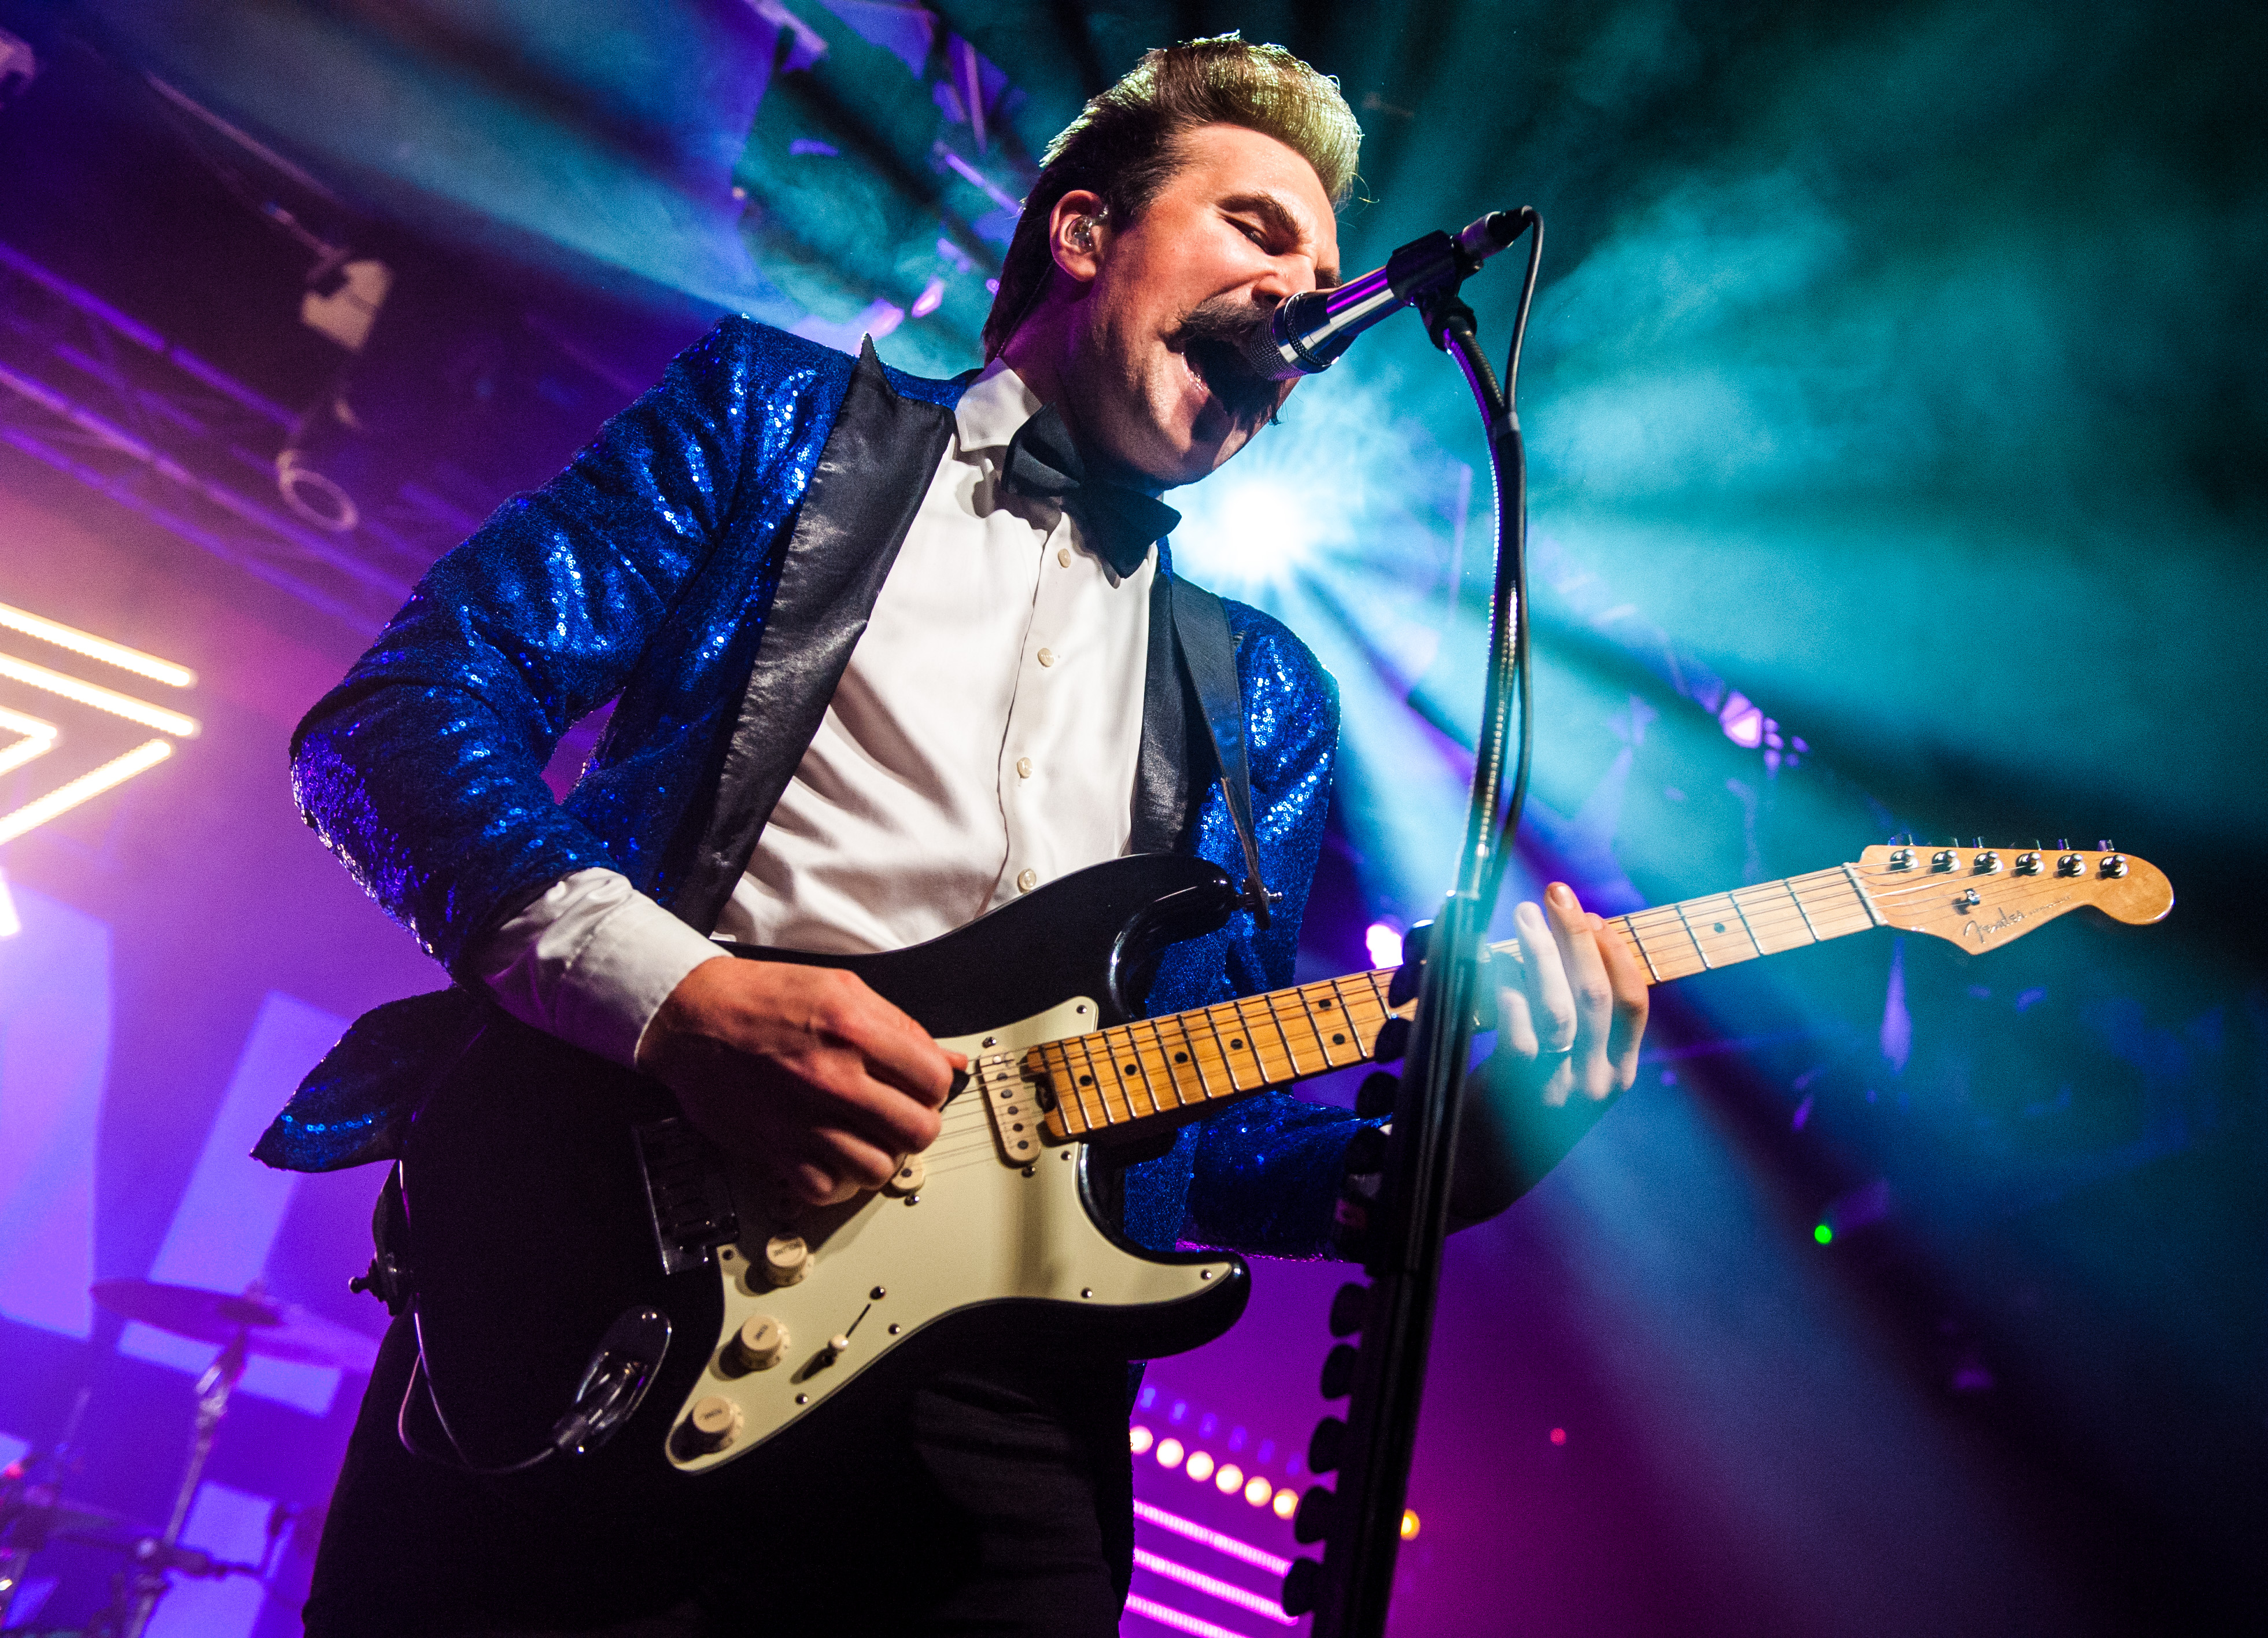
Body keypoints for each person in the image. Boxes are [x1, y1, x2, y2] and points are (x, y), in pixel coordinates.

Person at [268, 36, 1648, 1637]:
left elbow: (1199, 1151)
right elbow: (401, 715)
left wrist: (1469, 1151)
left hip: (1002, 1432)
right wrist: (678, 999)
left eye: (1324, 272)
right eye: (1256, 228)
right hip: (612, 1284)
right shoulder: (776, 421)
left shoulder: (1268, 692)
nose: (1302, 297)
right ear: (1084, 233)